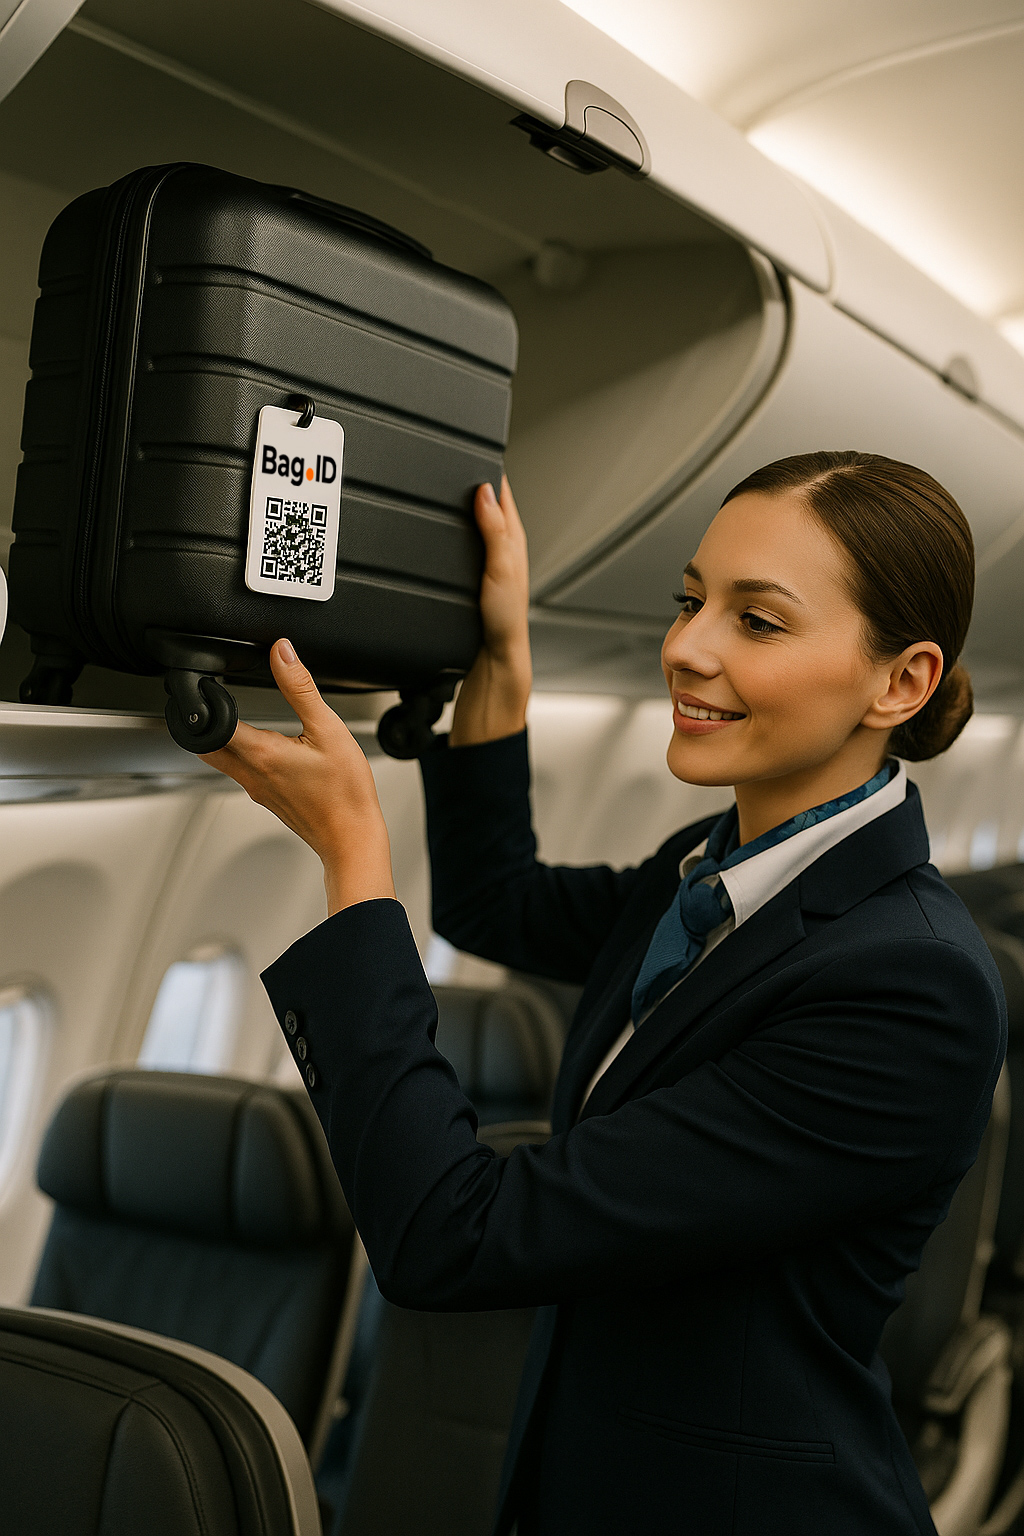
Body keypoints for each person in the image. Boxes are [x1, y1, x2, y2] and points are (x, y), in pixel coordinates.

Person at [203, 450, 1006, 1535]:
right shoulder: (721, 862)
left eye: (755, 622)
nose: (685, 647)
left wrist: (355, 855)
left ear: (899, 682)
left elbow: (452, 1237)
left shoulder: (909, 986)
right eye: (689, 601)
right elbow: (499, 904)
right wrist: (499, 655)